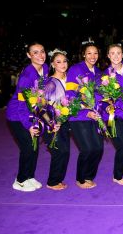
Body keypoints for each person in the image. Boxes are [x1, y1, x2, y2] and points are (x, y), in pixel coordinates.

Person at [6, 41, 49, 192]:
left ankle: (30, 176)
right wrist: (29, 125)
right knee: (28, 147)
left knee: (35, 148)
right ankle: (20, 180)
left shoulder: (45, 68)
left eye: (42, 51)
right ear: (29, 55)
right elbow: (21, 105)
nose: (40, 55)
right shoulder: (26, 76)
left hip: (33, 112)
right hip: (17, 115)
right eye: (35, 52)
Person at [65, 41, 104, 189]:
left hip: (95, 117)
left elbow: (100, 97)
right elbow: (69, 94)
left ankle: (89, 176)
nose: (93, 56)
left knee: (99, 148)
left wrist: (103, 109)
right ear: (83, 54)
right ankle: (81, 179)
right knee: (87, 149)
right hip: (79, 116)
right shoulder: (75, 69)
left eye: (95, 53)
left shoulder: (99, 73)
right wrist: (85, 111)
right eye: (89, 53)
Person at [101, 43, 123, 185]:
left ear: (122, 54)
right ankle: (117, 176)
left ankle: (118, 173)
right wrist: (106, 107)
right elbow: (100, 98)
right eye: (112, 53)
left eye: (118, 53)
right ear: (108, 55)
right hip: (114, 117)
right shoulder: (104, 76)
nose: (116, 56)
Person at [44, 49, 70, 190]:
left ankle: (58, 179)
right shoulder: (51, 83)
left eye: (65, 61)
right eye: (58, 62)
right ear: (53, 64)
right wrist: (51, 123)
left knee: (65, 151)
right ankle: (52, 182)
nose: (62, 64)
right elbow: (43, 106)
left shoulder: (70, 79)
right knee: (59, 151)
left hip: (64, 121)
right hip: (52, 122)